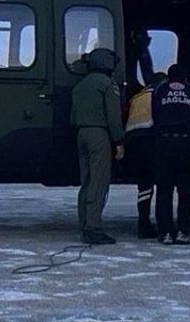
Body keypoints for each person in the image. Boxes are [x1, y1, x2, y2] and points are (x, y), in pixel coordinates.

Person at [70, 48, 125, 245]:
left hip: (81, 133)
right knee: (98, 181)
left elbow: (73, 116)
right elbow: (113, 116)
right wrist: (118, 141)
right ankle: (93, 228)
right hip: (99, 134)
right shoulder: (107, 84)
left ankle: (84, 223)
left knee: (86, 181)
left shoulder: (81, 85)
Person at [151, 64, 190, 245]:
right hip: (186, 143)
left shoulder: (160, 90)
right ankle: (184, 231)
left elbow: (154, 114)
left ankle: (165, 232)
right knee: (185, 190)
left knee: (164, 190)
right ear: (185, 78)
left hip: (164, 143)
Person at [123, 73, 164, 239]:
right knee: (163, 182)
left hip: (132, 143)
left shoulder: (137, 97)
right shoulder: (159, 93)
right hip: (149, 140)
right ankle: (162, 224)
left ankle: (143, 222)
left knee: (144, 186)